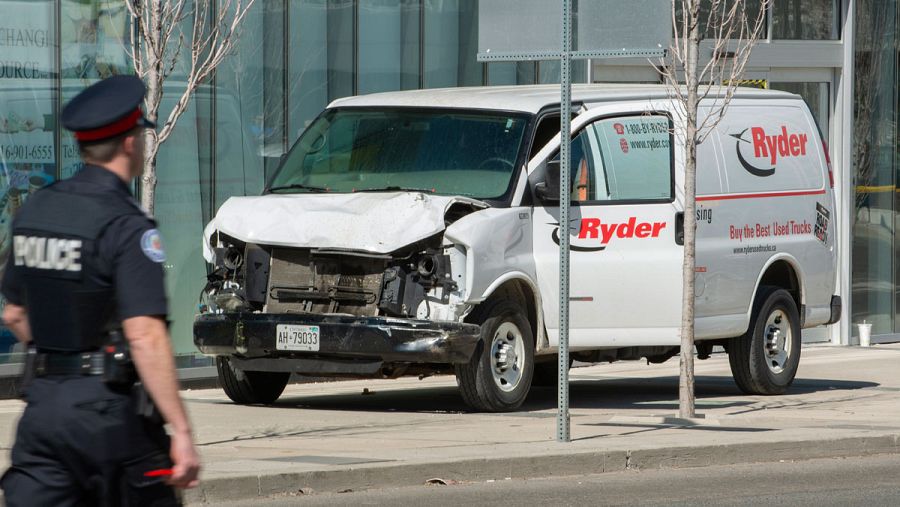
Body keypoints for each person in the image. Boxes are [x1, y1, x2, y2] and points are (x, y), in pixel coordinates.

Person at [0, 75, 200, 506]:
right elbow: (145, 336)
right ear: (131, 144)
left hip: (44, 412)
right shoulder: (127, 226)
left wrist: (60, 355)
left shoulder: (36, 209)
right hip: (110, 420)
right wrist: (181, 431)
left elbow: (14, 313)